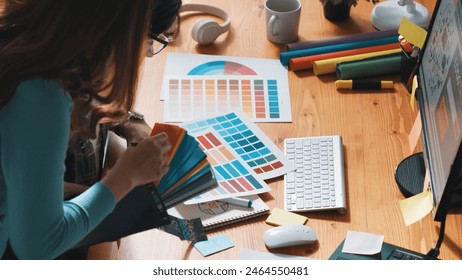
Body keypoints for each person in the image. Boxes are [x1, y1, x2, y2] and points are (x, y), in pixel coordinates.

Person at [0, 0, 181, 260]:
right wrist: (125, 177)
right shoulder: (41, 94)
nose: (145, 54)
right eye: (149, 41)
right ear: (123, 31)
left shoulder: (26, 42)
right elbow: (38, 246)